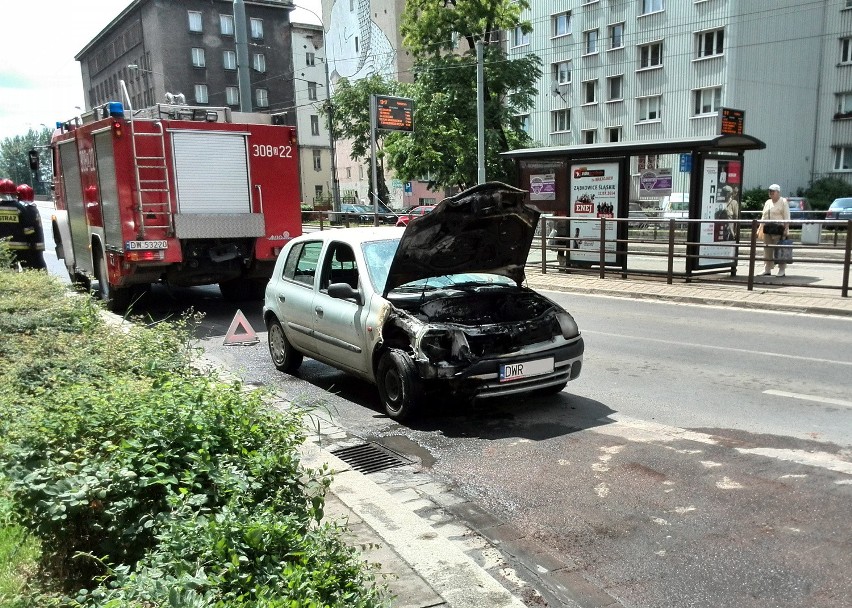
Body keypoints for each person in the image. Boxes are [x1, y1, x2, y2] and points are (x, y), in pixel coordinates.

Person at [0, 179, 46, 269]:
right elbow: (28, 230)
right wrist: (31, 244)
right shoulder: (21, 208)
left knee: (10, 271)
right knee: (29, 269)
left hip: (4, 248)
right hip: (23, 248)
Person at [760, 184, 790, 277]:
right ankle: (767, 269)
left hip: (779, 229)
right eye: (770, 191)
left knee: (780, 249)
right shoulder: (767, 202)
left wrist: (786, 229)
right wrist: (760, 228)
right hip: (767, 228)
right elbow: (763, 216)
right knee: (767, 249)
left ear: (778, 192)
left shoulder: (783, 201)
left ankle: (782, 269)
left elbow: (787, 217)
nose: (771, 193)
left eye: (773, 191)